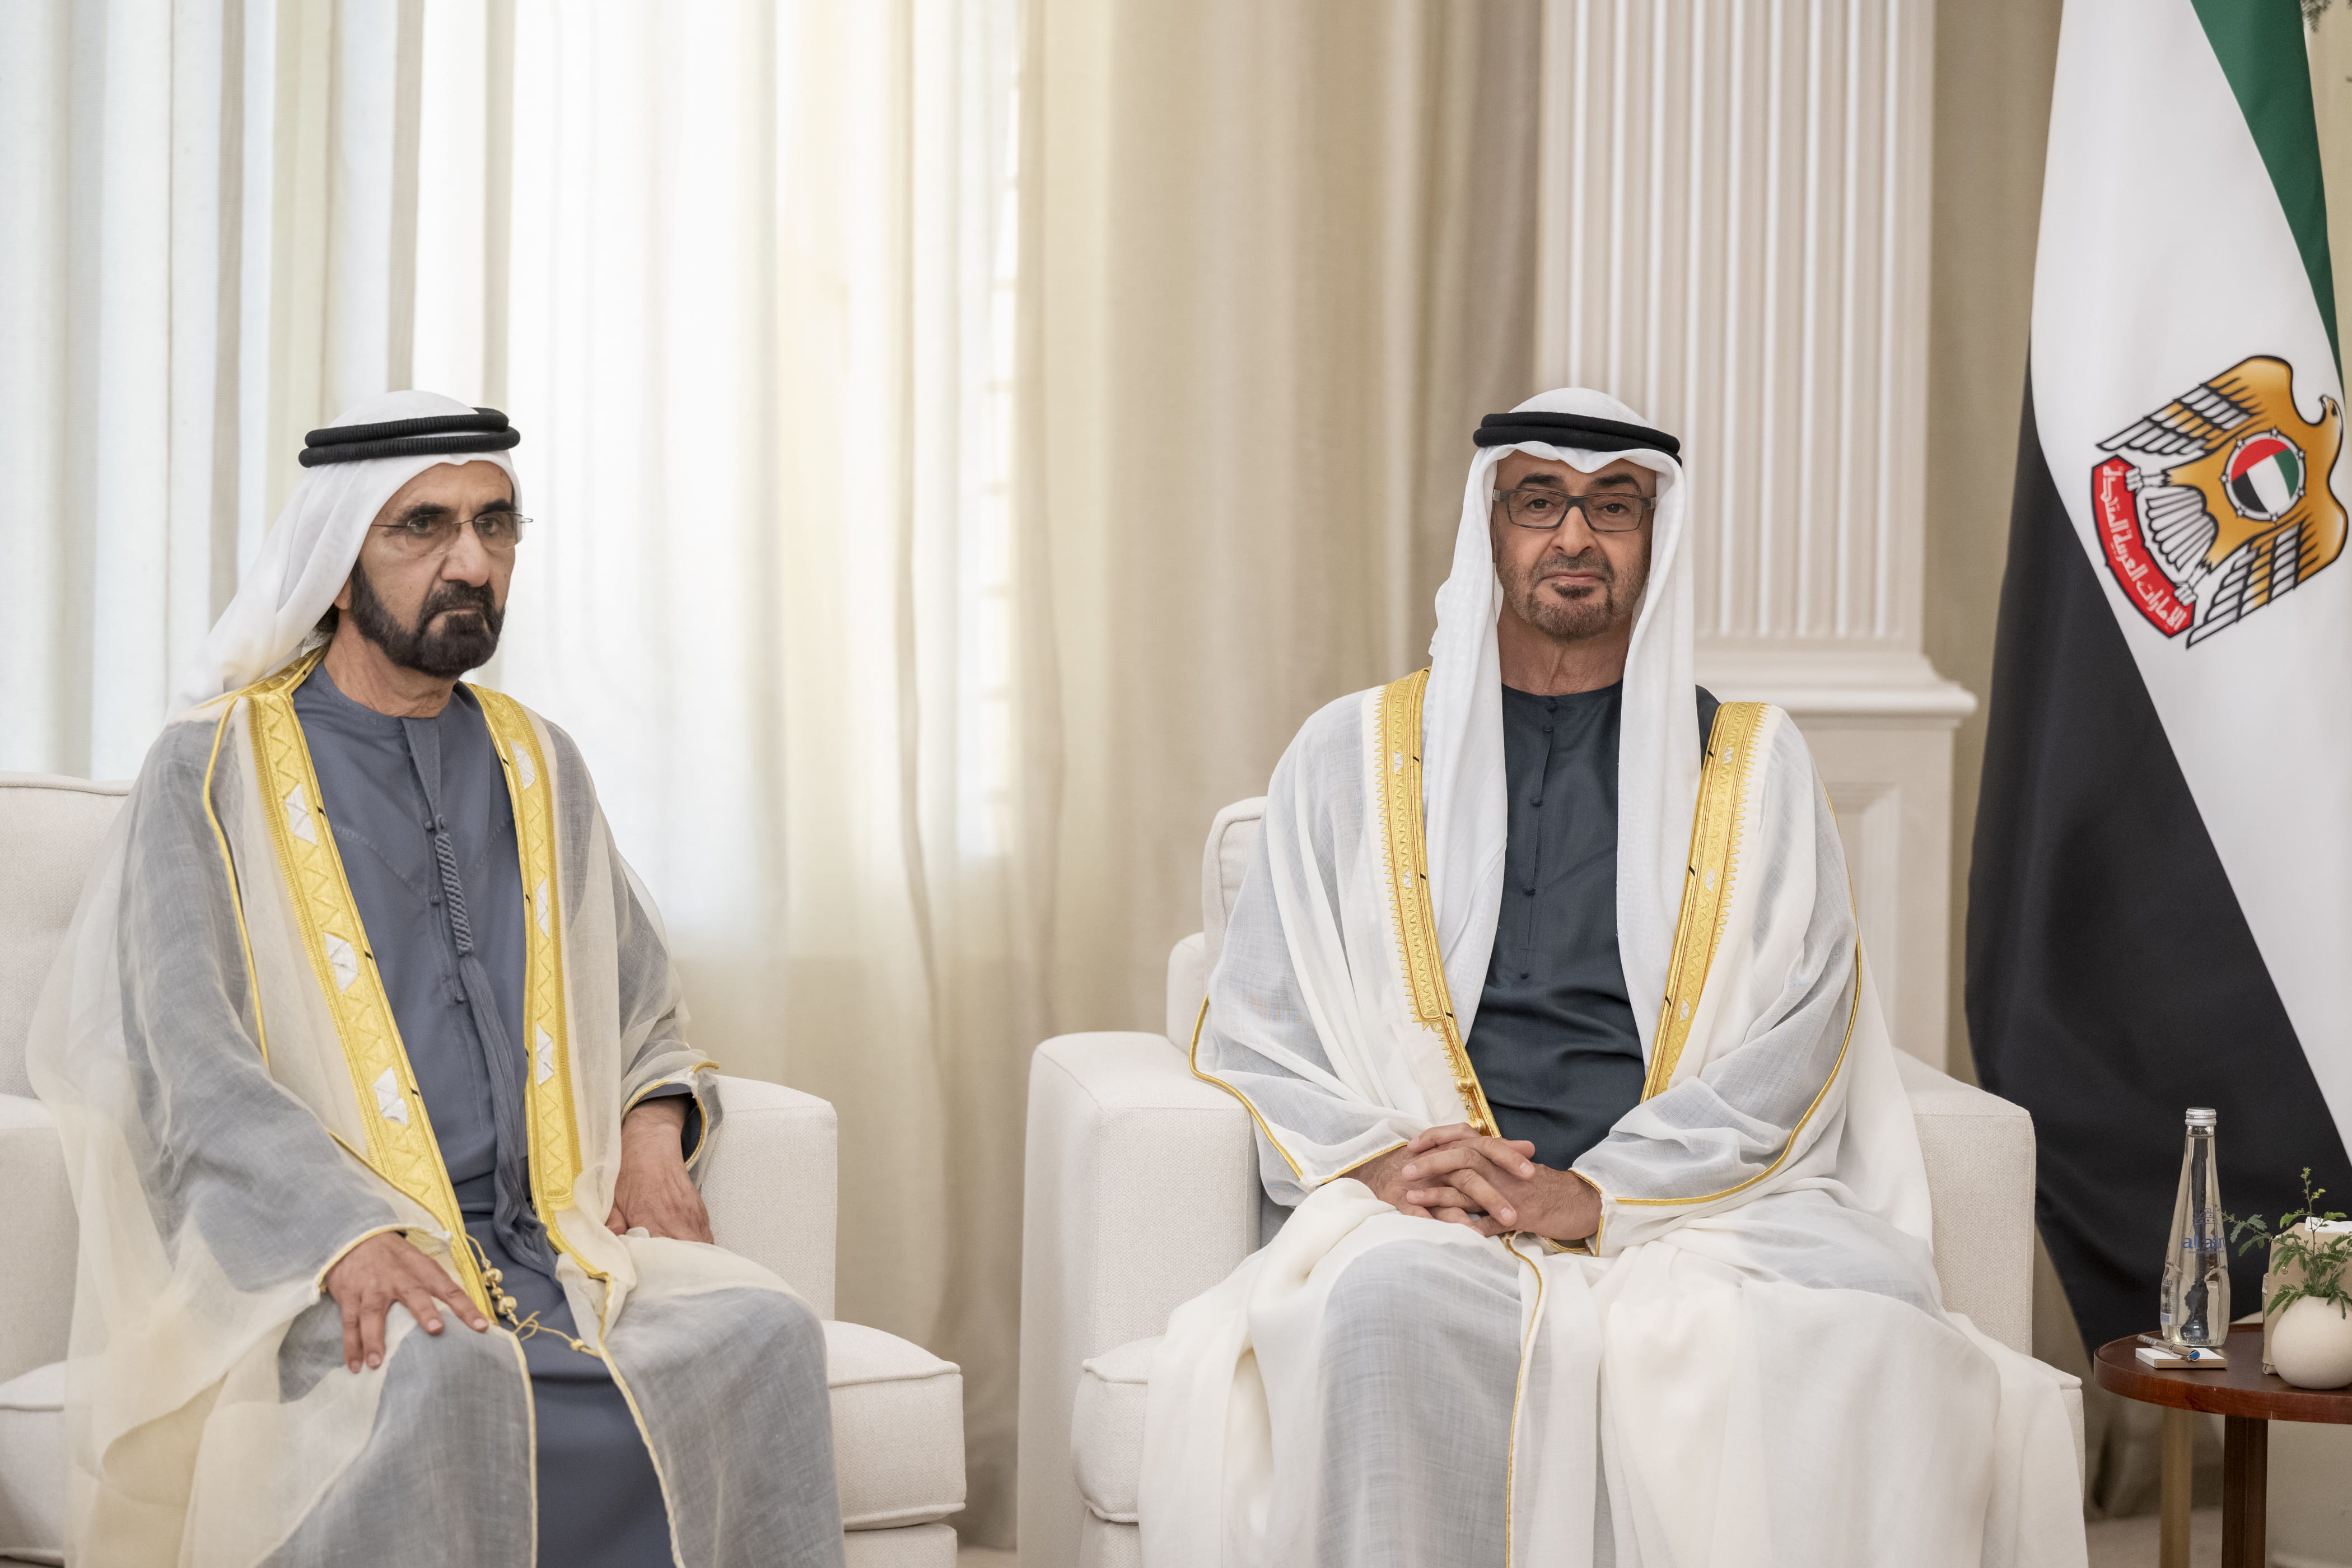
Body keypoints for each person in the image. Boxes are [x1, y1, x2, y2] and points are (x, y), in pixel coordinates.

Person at [1138, 389, 2085, 1567]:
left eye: (1613, 506)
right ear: (1490, 527)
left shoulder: (1753, 769)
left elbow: (1797, 1039)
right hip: (1431, 1203)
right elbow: (1261, 1025)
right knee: (1385, 1309)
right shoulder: (1347, 757)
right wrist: (1389, 1160)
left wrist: (1595, 1197)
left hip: (1689, 1212)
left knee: (1868, 1324)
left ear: (1654, 537)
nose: (1575, 536)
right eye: (1541, 501)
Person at [29, 391, 843, 1567]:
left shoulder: (535, 760)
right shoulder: (208, 772)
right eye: (424, 527)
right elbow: (183, 1060)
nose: (472, 560)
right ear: (339, 561)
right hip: (312, 1255)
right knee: (445, 1376)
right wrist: (344, 1233)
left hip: (548, 1237)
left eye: (497, 525)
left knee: (765, 1330)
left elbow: (642, 1004)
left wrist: (655, 1130)